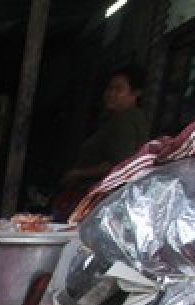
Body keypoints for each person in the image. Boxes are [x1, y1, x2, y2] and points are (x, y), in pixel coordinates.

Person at [53, 65, 151, 221]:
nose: (111, 94)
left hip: (100, 199)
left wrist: (78, 173)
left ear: (135, 93)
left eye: (118, 89)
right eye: (109, 89)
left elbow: (119, 164)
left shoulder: (124, 122)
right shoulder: (130, 119)